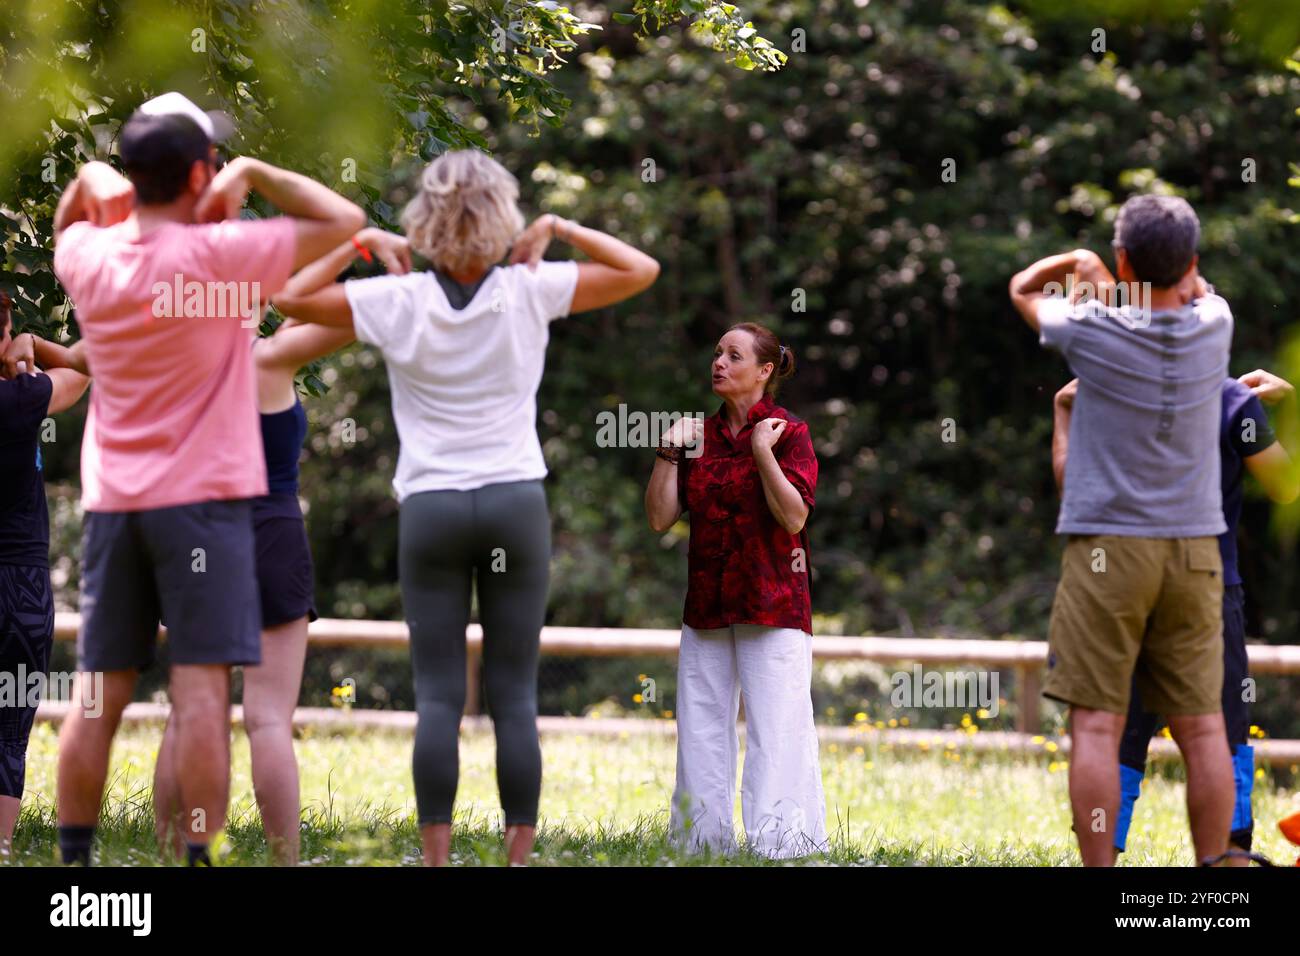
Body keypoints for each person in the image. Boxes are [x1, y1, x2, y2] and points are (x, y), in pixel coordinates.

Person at [272, 149, 659, 865]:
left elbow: (290, 299)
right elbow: (642, 270)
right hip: (515, 501)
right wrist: (560, 225)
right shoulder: (532, 287)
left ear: (424, 219)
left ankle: (437, 861)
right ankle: (516, 859)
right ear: (503, 217)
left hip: (432, 508)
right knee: (515, 694)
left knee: (439, 698)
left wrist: (357, 245)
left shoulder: (396, 299)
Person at [50, 91, 364, 866]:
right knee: (199, 701)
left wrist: (100, 182)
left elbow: (70, 215)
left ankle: (73, 870)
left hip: (115, 506)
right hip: (206, 511)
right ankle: (194, 858)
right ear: (200, 174)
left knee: (97, 696)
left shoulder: (89, 259)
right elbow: (343, 223)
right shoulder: (223, 262)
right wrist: (253, 173)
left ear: (130, 176)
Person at [148, 227, 411, 865]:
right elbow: (358, 311)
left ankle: (164, 850)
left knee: (188, 714)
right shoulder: (270, 360)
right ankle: (284, 858)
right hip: (270, 537)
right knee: (266, 718)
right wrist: (360, 250)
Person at [1009, 193, 1235, 866]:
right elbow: (1196, 289)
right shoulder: (1215, 324)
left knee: (1098, 727)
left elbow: (1022, 287)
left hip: (1109, 548)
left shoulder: (1090, 330)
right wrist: (1148, 276)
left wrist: (1078, 262)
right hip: (1196, 548)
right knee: (1204, 730)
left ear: (1121, 258)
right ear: (1191, 262)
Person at [1052, 367, 1297, 866]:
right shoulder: (1231, 399)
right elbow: (1286, 487)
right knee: (1219, 734)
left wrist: (1063, 411)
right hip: (1204, 587)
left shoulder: (1107, 392)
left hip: (1119, 588)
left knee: (1114, 737)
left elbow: (1072, 487)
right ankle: (1227, 861)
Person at [644, 321, 827, 859]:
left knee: (777, 727)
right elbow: (659, 519)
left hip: (773, 605)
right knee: (699, 726)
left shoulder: (790, 433)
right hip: (706, 604)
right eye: (717, 352)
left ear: (765, 371)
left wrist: (763, 454)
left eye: (734, 355)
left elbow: (793, 519)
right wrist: (666, 452)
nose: (718, 362)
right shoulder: (695, 436)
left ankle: (782, 845)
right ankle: (700, 842)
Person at [0, 292, 90, 856]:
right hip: (21, 589)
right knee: (8, 730)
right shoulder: (22, 397)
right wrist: (31, 346)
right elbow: (84, 371)